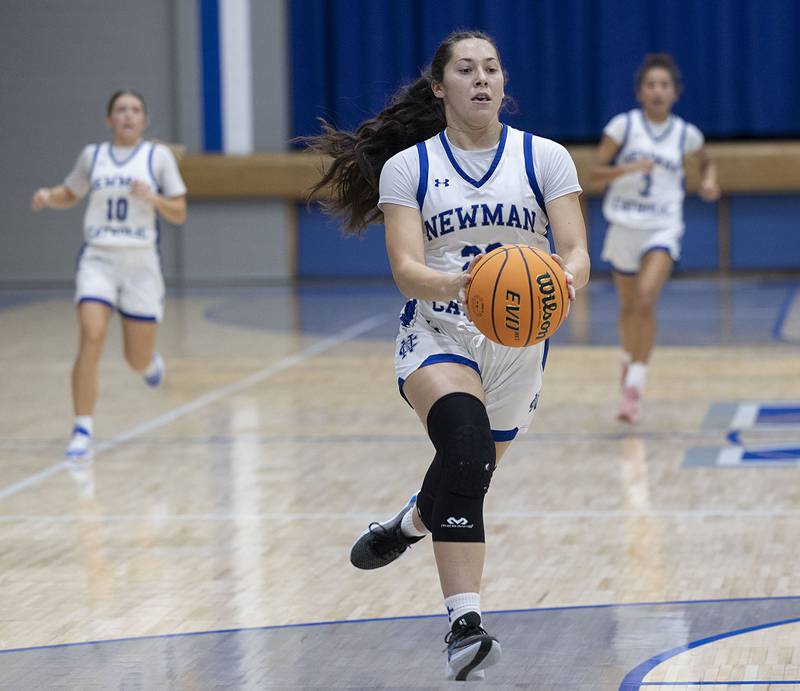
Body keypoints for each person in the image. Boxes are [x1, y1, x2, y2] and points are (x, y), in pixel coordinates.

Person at [305, 30, 589, 681]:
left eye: (491, 67)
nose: (482, 78)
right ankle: (465, 624)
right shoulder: (412, 169)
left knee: (471, 472)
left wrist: (564, 279)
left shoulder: (544, 158)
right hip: (440, 331)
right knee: (463, 447)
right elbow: (406, 268)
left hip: (520, 345)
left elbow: (576, 250)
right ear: (441, 87)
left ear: (503, 82)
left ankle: (409, 522)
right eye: (466, 69)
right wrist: (460, 283)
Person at [31, 90, 187, 460]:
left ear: (144, 120)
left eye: (135, 110)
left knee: (135, 358)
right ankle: (82, 427)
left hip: (140, 265)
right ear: (109, 119)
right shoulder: (93, 156)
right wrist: (49, 196)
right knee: (91, 334)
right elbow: (72, 192)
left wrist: (154, 199)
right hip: (99, 258)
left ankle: (149, 364)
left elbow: (179, 212)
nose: (128, 116)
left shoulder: (158, 158)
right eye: (120, 110)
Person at [591, 54, 719, 423]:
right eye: (651, 85)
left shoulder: (685, 133)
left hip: (663, 225)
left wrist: (708, 180)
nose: (658, 91)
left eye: (664, 85)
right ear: (639, 92)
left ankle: (635, 382)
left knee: (646, 299)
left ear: (676, 92)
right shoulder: (624, 127)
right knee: (628, 308)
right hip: (624, 224)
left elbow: (706, 160)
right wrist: (628, 168)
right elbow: (595, 172)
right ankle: (630, 357)